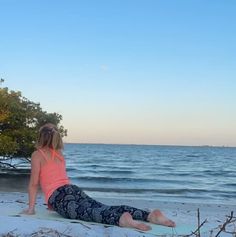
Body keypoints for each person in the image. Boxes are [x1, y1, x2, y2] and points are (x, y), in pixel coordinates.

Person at [22, 123, 176, 231]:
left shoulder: (37, 154)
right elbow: (58, 178)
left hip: (59, 196)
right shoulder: (59, 154)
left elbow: (34, 184)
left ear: (41, 138)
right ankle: (150, 215)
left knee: (88, 213)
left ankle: (122, 220)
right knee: (102, 207)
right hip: (72, 190)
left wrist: (31, 209)